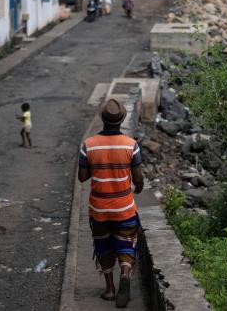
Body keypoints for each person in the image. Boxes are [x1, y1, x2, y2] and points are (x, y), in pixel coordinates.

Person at [78, 99, 144, 307]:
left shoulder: (88, 145)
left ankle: (110, 289)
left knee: (103, 246)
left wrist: (95, 164)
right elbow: (138, 178)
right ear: (122, 119)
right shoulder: (131, 145)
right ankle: (125, 273)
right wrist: (139, 187)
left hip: (99, 209)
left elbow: (82, 177)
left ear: (102, 118)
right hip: (124, 207)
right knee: (126, 242)